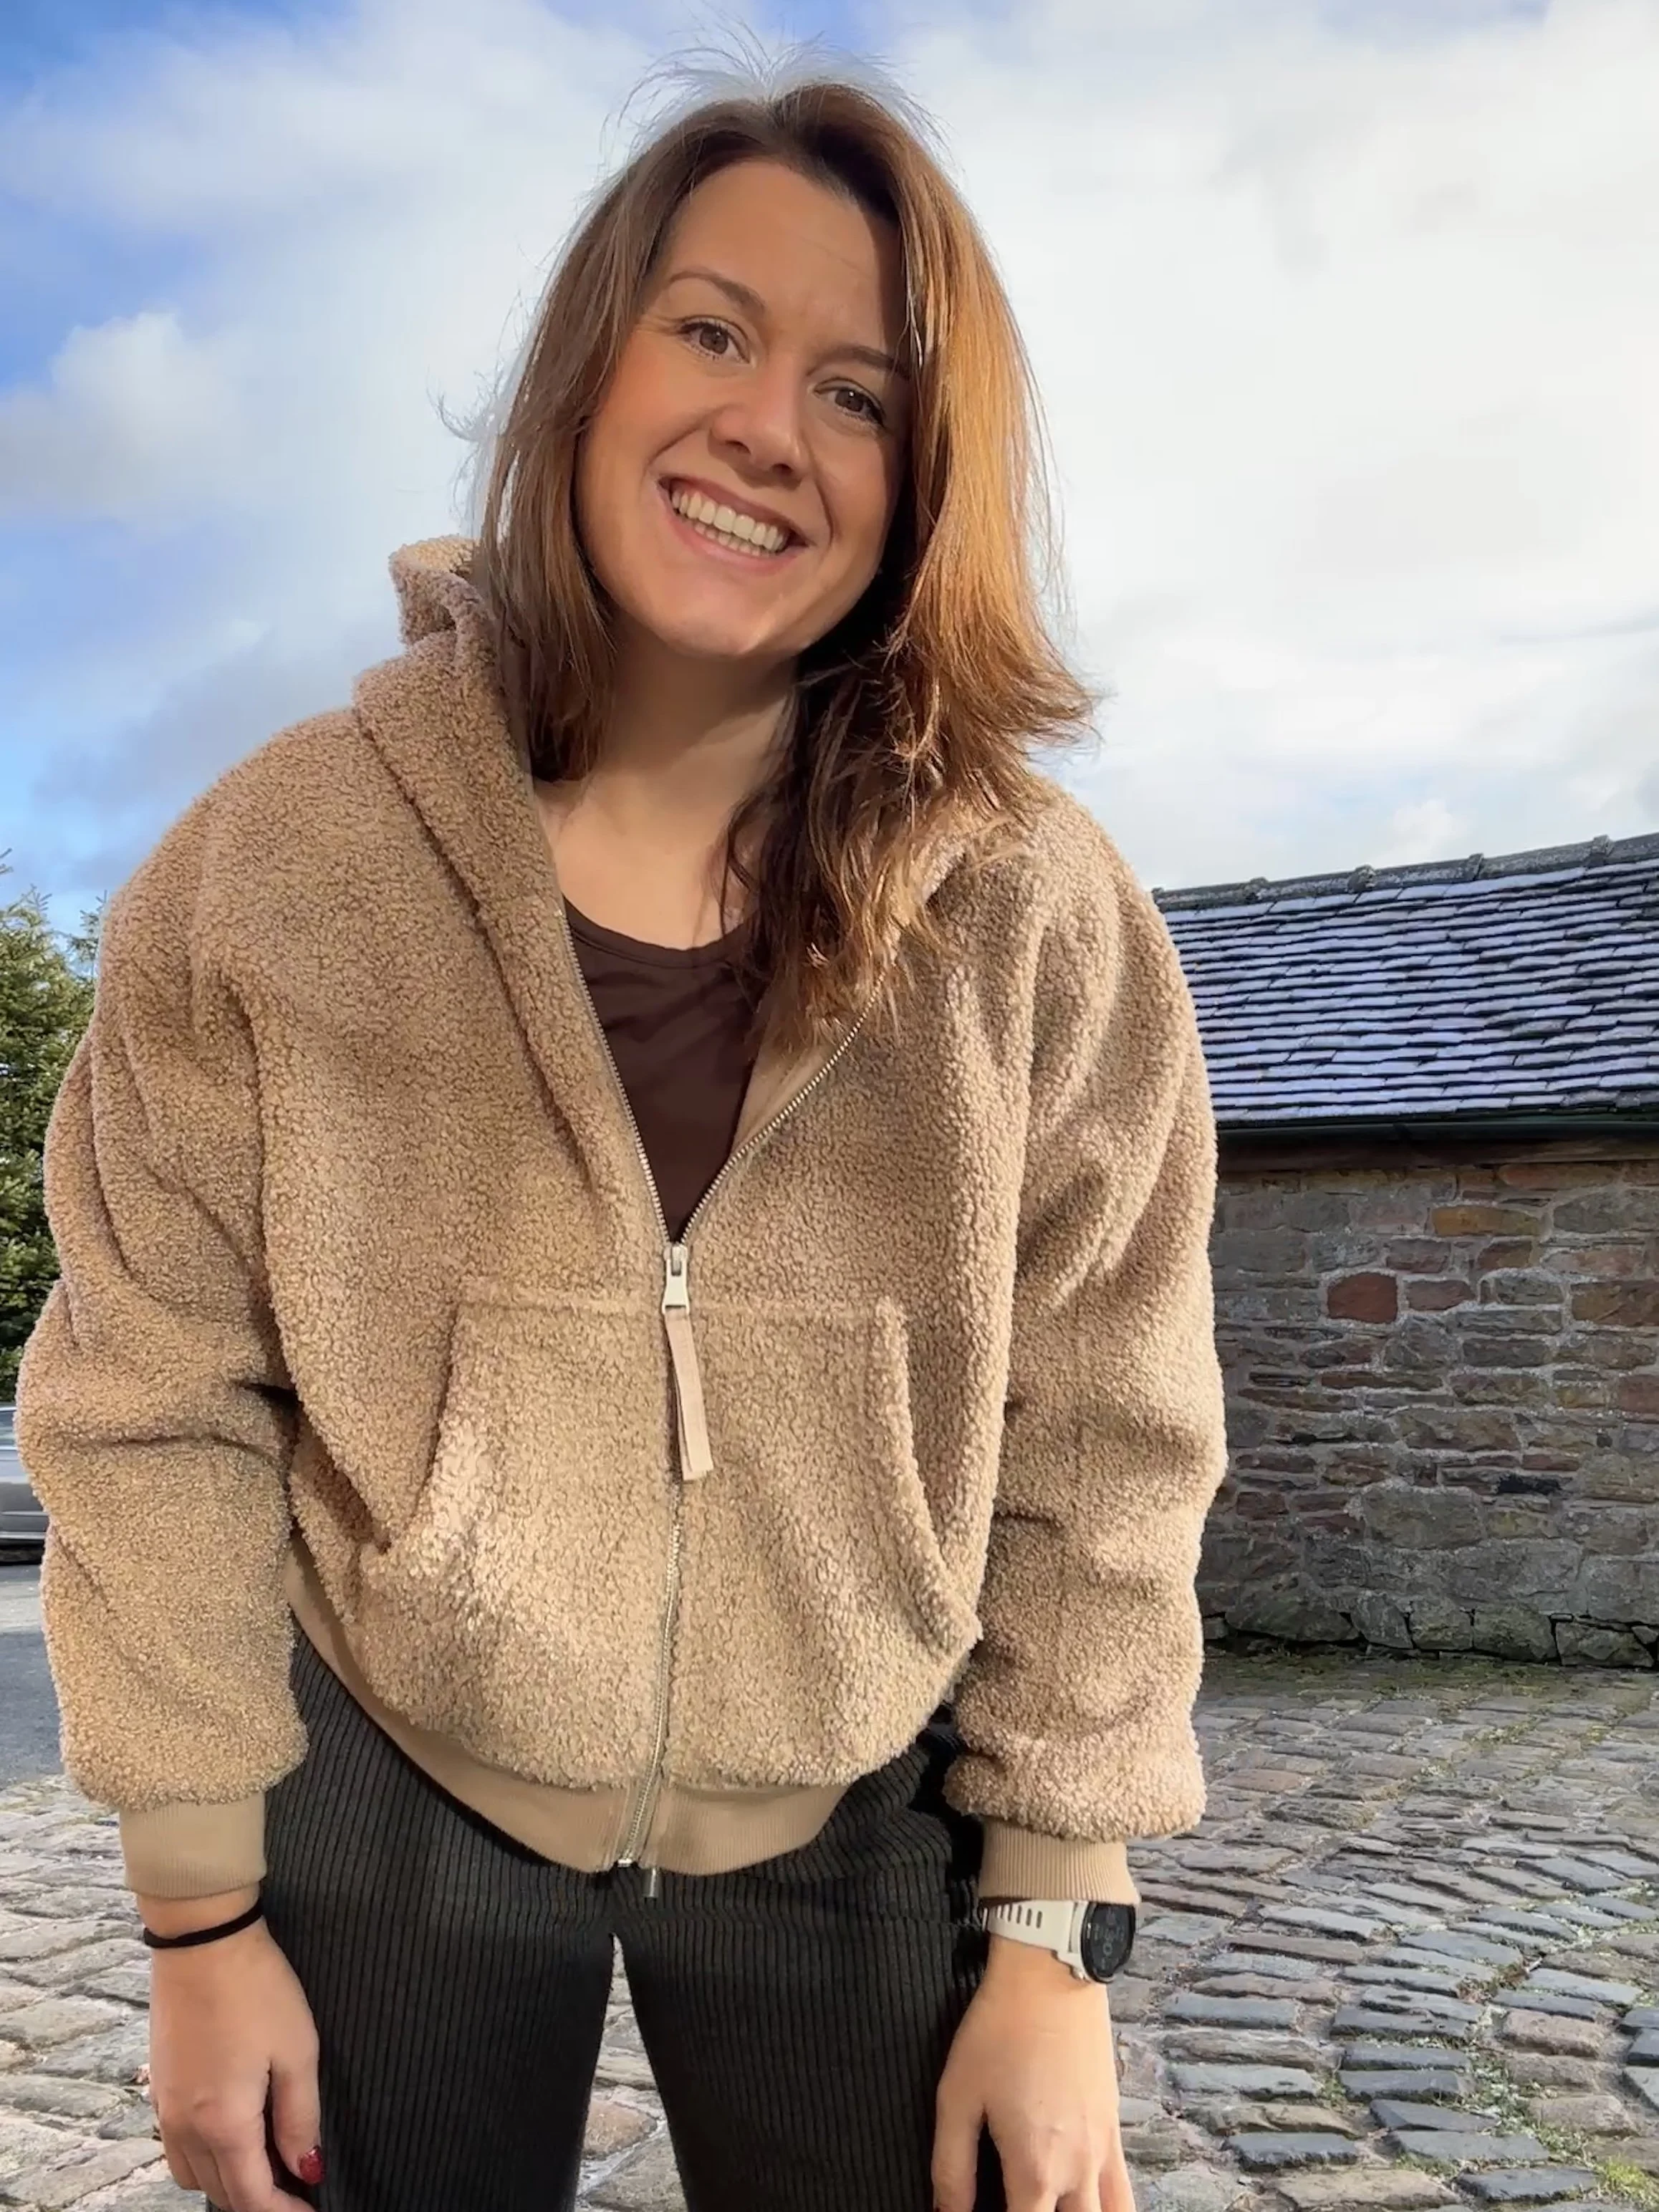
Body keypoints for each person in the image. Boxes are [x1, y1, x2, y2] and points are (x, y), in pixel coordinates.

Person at [16, 57, 1229, 2212]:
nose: (769, 424)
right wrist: (200, 1916)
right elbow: (152, 1398)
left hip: (872, 1807)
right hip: (385, 1790)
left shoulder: (1039, 914)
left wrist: (1054, 1932)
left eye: (861, 394)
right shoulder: (277, 859)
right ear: (590, 369)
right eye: (713, 330)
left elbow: (1104, 1433)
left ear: (922, 477)